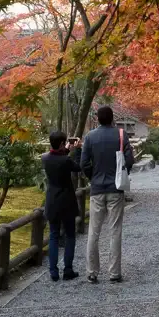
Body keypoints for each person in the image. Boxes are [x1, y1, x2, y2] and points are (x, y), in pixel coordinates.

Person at [80, 106, 134, 283]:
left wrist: (92, 176)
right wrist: (122, 172)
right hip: (115, 188)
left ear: (97, 118)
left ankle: (92, 272)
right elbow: (129, 159)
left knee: (93, 231)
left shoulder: (90, 137)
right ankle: (114, 272)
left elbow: (84, 163)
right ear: (112, 118)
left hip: (97, 188)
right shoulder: (120, 135)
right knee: (115, 230)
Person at [41, 131, 81, 282]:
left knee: (53, 235)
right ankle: (68, 269)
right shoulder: (66, 160)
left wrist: (66, 150)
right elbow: (78, 167)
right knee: (70, 235)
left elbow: (56, 156)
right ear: (61, 143)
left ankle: (53, 271)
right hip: (67, 201)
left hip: (52, 200)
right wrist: (77, 150)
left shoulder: (45, 158)